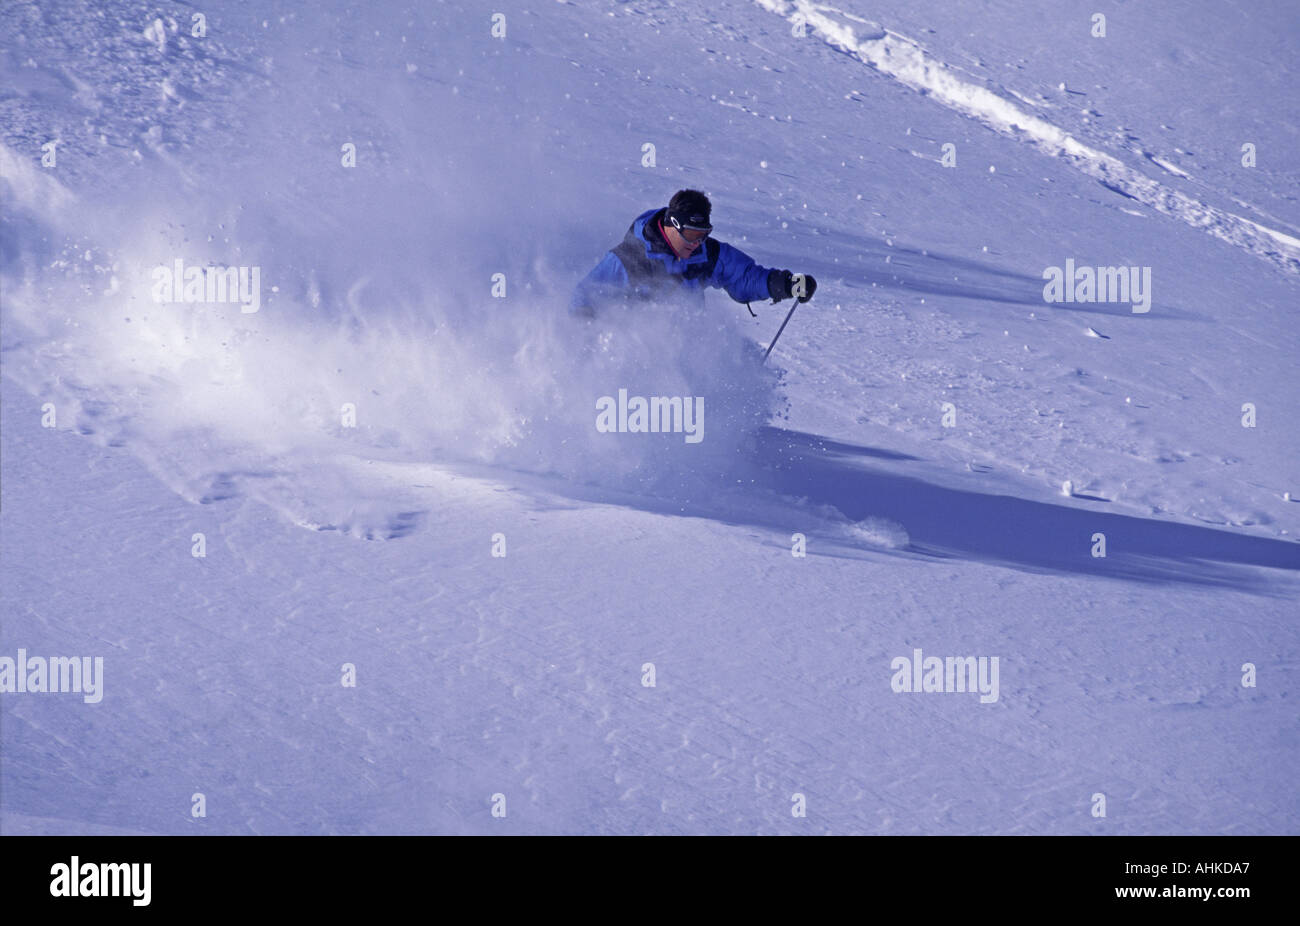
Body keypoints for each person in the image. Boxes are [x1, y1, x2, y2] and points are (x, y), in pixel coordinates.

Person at [569, 189, 817, 317]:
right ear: (672, 225)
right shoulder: (629, 260)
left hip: (685, 356)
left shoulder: (706, 255)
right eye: (692, 234)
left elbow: (743, 277)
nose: (698, 243)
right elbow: (584, 296)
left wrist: (783, 284)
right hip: (632, 355)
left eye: (704, 234)